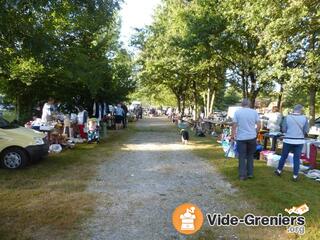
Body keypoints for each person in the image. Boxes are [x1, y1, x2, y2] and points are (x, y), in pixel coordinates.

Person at [275, 104, 309, 182]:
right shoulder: (305, 118)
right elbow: (306, 131)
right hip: (299, 140)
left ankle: (279, 171)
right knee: (296, 158)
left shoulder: (287, 117)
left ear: (293, 109)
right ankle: (295, 175)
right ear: (301, 110)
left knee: (284, 156)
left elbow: (283, 130)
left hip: (288, 140)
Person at [231, 99, 261, 180]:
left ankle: (242, 175)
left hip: (241, 137)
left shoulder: (237, 112)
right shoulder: (254, 112)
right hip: (252, 137)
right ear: (249, 104)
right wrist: (255, 133)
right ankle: (250, 173)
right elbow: (259, 125)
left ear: (241, 104)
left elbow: (234, 126)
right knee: (250, 155)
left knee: (242, 156)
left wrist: (232, 136)